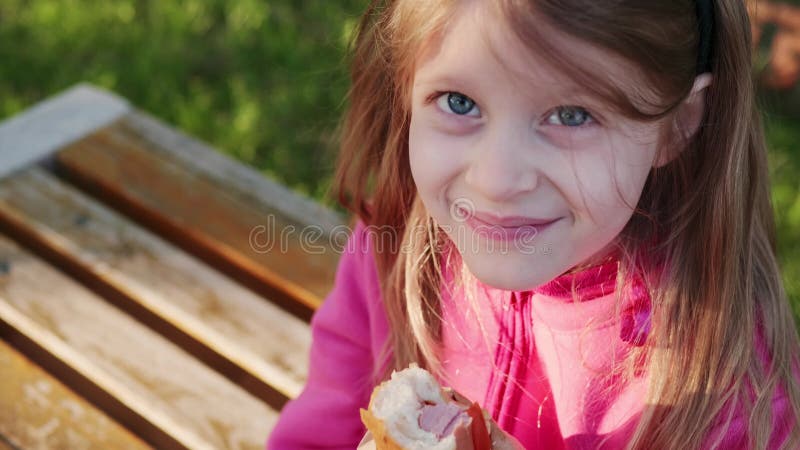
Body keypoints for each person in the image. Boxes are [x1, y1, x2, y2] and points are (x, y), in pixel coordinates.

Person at [267, 0, 800, 448]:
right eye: (459, 102)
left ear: (678, 125)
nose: (497, 180)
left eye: (571, 115)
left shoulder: (731, 396)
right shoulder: (393, 246)